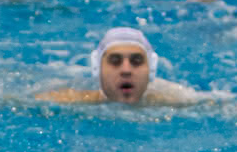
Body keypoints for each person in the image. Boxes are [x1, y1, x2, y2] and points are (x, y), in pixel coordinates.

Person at [36, 27, 200, 107]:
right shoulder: (66, 103)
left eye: (136, 61)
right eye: (115, 61)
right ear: (97, 69)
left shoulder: (175, 101)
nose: (126, 70)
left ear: (151, 70)